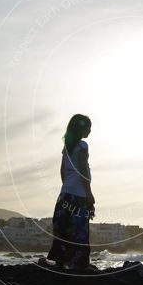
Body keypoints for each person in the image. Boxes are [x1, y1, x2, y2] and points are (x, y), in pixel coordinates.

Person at [45, 114, 95, 270]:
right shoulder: (82, 146)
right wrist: (89, 194)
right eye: (89, 127)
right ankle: (78, 266)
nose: (90, 131)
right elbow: (82, 171)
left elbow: (62, 170)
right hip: (79, 195)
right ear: (82, 128)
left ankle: (61, 262)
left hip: (65, 194)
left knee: (64, 229)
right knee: (80, 231)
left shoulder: (67, 147)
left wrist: (67, 186)